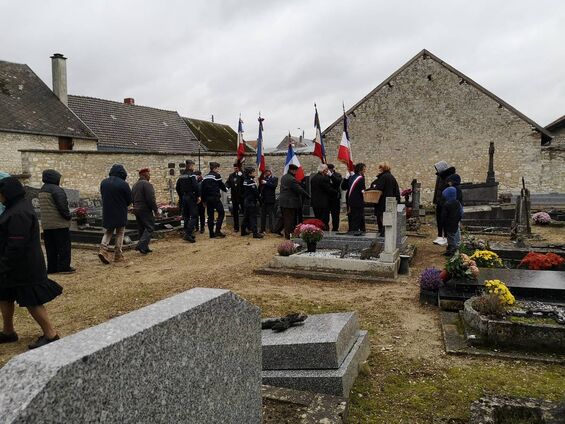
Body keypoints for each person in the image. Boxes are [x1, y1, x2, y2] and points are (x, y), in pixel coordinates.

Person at [0, 177, 62, 349]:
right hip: (13, 265)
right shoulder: (14, 208)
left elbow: (16, 244)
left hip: (24, 266)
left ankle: (51, 334)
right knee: (4, 295)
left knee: (32, 300)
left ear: (7, 193)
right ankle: (8, 332)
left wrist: (4, 265)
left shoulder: (19, 213)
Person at [38, 169, 74, 274]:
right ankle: (64, 267)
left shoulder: (42, 189)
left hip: (47, 224)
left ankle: (52, 268)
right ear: (54, 178)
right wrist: (68, 216)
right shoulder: (56, 190)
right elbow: (62, 206)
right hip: (59, 223)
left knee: (51, 248)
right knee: (64, 247)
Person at [99, 164, 132, 264]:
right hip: (120, 211)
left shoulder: (104, 183)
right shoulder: (123, 184)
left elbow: (102, 195)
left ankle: (103, 250)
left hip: (108, 211)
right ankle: (118, 255)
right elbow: (129, 200)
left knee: (108, 231)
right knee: (120, 232)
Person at [278, 164, 310, 239]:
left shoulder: (284, 177)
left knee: (285, 218)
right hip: (289, 202)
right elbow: (299, 189)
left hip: (284, 201)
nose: (296, 172)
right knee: (289, 220)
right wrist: (308, 196)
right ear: (293, 170)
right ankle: (288, 236)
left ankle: (279, 231)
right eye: (296, 171)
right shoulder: (291, 179)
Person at [369, 162, 401, 237]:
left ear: (383, 168)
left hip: (383, 202)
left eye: (380, 168)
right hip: (390, 201)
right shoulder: (391, 176)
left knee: (383, 218)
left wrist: (368, 190)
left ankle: (383, 233)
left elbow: (378, 188)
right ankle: (386, 233)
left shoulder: (383, 177)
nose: (379, 169)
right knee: (386, 218)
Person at [131, 168, 159, 253]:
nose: (149, 176)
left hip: (137, 208)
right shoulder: (147, 184)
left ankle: (144, 248)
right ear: (144, 174)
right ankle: (141, 245)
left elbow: (132, 198)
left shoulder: (135, 185)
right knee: (150, 227)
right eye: (148, 174)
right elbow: (151, 199)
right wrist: (155, 210)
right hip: (145, 209)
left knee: (142, 229)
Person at [201, 162, 227, 238]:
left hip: (208, 199)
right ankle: (217, 231)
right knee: (221, 213)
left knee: (210, 216)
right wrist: (226, 189)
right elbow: (221, 185)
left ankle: (211, 234)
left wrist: (203, 201)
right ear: (215, 168)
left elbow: (202, 190)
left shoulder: (205, 177)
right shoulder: (216, 176)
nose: (218, 170)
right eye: (218, 168)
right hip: (215, 198)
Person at [176, 161, 200, 243]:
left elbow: (177, 187)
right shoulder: (192, 174)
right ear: (190, 166)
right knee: (194, 215)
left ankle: (187, 232)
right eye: (193, 166)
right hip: (191, 196)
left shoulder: (182, 175)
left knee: (186, 216)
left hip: (184, 197)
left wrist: (181, 196)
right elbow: (196, 186)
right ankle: (188, 233)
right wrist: (198, 196)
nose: (194, 167)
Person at [432, 161, 456, 246]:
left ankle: (446, 237)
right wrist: (435, 200)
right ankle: (439, 236)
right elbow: (437, 188)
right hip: (439, 201)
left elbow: (450, 190)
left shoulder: (449, 177)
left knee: (445, 219)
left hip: (445, 201)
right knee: (439, 219)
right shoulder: (439, 176)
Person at [310, 164, 337, 230]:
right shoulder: (323, 178)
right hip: (323, 203)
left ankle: (318, 231)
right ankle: (324, 233)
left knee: (318, 219)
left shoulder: (313, 178)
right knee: (324, 220)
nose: (327, 171)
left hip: (315, 202)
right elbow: (328, 189)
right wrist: (336, 192)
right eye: (326, 170)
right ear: (323, 170)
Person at [241, 167, 264, 239]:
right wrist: (261, 201)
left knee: (246, 217)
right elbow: (256, 193)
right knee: (253, 217)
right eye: (253, 172)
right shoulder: (251, 182)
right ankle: (255, 233)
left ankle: (243, 231)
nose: (255, 173)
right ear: (250, 173)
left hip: (246, 201)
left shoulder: (245, 180)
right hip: (251, 202)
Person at [441, 186, 463, 256]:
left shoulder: (447, 204)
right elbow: (461, 212)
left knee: (450, 237)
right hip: (455, 222)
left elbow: (443, 216)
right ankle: (451, 249)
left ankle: (452, 251)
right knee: (453, 236)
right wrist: (458, 219)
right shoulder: (457, 203)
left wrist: (442, 223)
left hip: (448, 223)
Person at [346, 163, 367, 236]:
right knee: (357, 217)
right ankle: (355, 232)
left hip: (351, 200)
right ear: (360, 170)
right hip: (358, 201)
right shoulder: (360, 178)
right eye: (364, 169)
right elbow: (362, 190)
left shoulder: (352, 177)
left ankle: (358, 230)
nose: (365, 171)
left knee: (353, 217)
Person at [226, 163, 244, 233]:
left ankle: (246, 226)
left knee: (245, 211)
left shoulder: (243, 174)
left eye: (237, 168)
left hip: (242, 196)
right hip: (234, 196)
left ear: (240, 168)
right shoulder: (231, 175)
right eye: (235, 168)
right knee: (235, 212)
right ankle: (236, 227)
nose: (236, 169)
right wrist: (226, 187)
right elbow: (228, 183)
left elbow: (246, 181)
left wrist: (242, 176)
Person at [259, 169, 278, 233]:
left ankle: (272, 229)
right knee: (262, 215)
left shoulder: (274, 178)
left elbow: (274, 186)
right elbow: (261, 188)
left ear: (270, 172)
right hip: (264, 199)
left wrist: (266, 182)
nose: (267, 173)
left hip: (270, 200)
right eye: (266, 172)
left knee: (271, 215)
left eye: (268, 171)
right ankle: (262, 229)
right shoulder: (264, 178)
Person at [327, 164, 342, 232]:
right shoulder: (325, 175)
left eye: (330, 169)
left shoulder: (337, 175)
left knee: (335, 214)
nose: (328, 170)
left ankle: (335, 228)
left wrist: (331, 175)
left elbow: (338, 182)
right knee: (326, 214)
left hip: (335, 197)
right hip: (327, 198)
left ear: (333, 169)